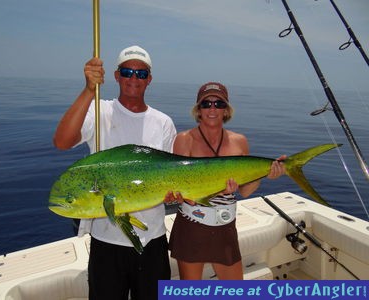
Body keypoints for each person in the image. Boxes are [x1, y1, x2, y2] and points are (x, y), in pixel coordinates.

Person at [53, 45, 176, 300]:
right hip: (106, 242)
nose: (134, 79)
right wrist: (89, 89)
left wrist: (174, 196)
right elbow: (62, 142)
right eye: (128, 72)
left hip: (152, 239)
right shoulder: (99, 111)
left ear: (149, 80)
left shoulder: (162, 122)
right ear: (117, 75)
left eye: (141, 74)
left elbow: (170, 175)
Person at [167, 82, 286, 280]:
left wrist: (266, 174)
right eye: (206, 104)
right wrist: (208, 192)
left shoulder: (240, 141)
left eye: (218, 103)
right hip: (192, 225)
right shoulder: (184, 139)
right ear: (198, 109)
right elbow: (182, 192)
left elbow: (246, 191)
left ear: (226, 109)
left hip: (225, 226)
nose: (212, 109)